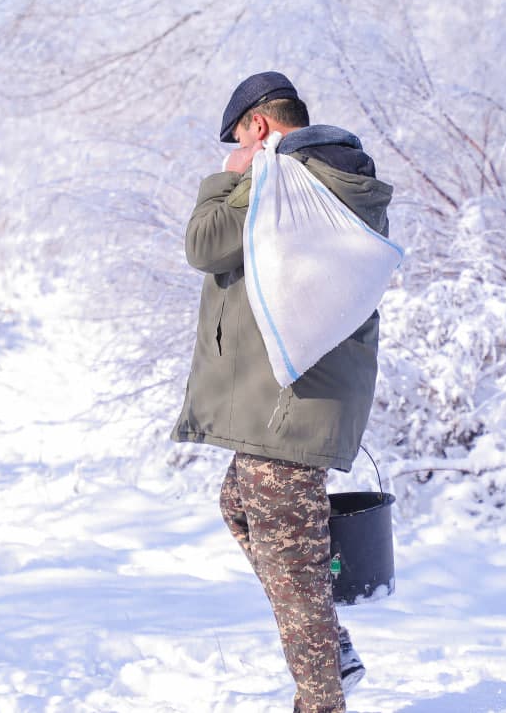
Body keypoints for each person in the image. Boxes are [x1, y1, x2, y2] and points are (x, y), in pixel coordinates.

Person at [172, 71, 394, 712]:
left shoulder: (280, 180)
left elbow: (204, 245)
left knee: (294, 572)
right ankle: (332, 646)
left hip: (287, 408)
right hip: (298, 401)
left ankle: (321, 693)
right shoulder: (333, 177)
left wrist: (231, 174)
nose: (238, 152)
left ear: (260, 127)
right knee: (240, 505)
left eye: (241, 137)